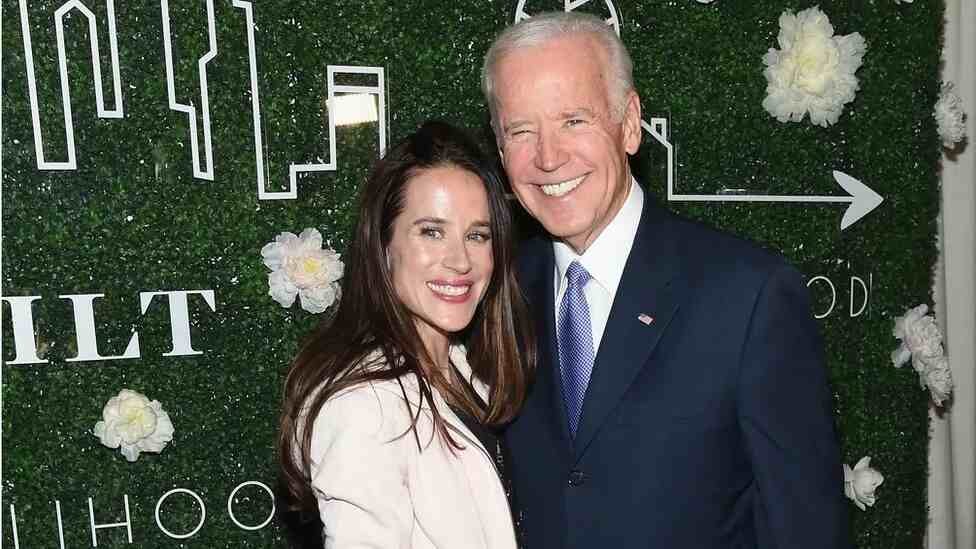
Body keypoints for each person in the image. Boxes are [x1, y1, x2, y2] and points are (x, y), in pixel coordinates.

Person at [481, 12, 850, 549]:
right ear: (499, 147)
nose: (548, 156)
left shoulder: (748, 296)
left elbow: (806, 529)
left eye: (573, 121)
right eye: (521, 130)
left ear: (629, 124)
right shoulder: (497, 293)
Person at [277, 121, 534, 549]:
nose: (460, 261)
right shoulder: (362, 408)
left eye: (477, 235)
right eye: (431, 232)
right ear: (384, 244)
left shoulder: (462, 369)